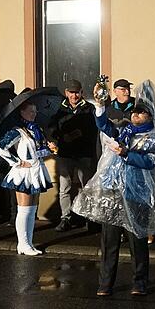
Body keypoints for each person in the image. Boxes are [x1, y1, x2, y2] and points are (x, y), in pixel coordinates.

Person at [73, 80, 155, 296]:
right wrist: (100, 105)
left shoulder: (154, 139)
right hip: (114, 195)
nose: (136, 117)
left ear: (150, 116)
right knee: (109, 243)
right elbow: (105, 126)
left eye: (141, 114)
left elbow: (153, 162)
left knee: (137, 244)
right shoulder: (124, 131)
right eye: (135, 113)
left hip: (136, 196)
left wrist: (127, 154)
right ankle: (105, 284)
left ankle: (140, 283)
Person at [0, 101, 55, 256]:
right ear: (21, 112)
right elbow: (1, 148)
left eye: (35, 111)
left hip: (36, 171)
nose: (34, 114)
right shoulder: (17, 131)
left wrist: (50, 149)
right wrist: (17, 162)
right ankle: (22, 243)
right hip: (24, 173)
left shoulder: (36, 130)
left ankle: (29, 242)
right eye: (30, 111)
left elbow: (38, 153)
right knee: (24, 209)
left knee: (32, 209)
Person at [48, 79, 98, 232]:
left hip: (84, 153)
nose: (74, 95)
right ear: (66, 93)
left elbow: (92, 130)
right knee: (65, 188)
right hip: (65, 154)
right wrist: (53, 140)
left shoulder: (89, 108)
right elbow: (52, 128)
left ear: (81, 92)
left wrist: (75, 134)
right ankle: (66, 218)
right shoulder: (59, 108)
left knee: (87, 187)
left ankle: (90, 217)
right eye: (71, 92)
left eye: (76, 92)